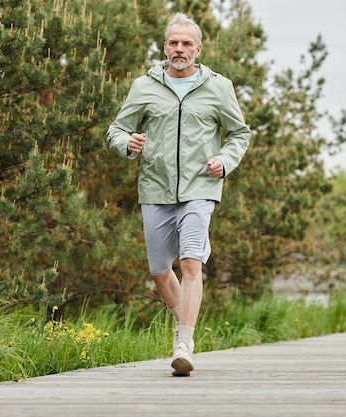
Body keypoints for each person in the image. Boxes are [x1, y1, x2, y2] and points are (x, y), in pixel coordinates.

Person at [106, 12, 250, 376]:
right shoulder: (145, 87)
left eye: (187, 43)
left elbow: (239, 134)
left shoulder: (219, 87)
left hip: (200, 187)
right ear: (165, 47)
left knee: (191, 262)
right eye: (174, 42)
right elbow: (116, 130)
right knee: (158, 271)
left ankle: (184, 343)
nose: (180, 49)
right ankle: (184, 315)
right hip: (155, 188)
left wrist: (224, 160)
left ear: (198, 49)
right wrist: (129, 143)